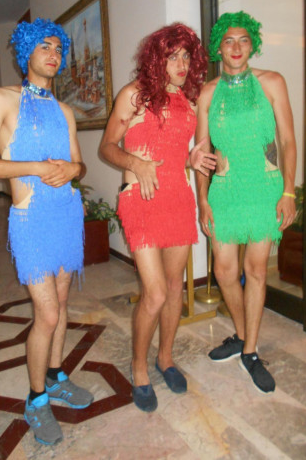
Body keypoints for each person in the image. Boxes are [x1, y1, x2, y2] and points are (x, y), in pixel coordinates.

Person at [0, 18, 93, 446]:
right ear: (26, 53)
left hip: (66, 215)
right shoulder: (1, 99)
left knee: (62, 303)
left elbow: (79, 165)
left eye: (58, 47)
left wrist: (73, 169)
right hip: (31, 221)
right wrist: (37, 167)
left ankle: (56, 376)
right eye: (44, 46)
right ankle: (36, 399)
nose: (53, 53)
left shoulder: (65, 111)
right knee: (48, 314)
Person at [99, 23, 216, 411]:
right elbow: (106, 147)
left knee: (174, 288)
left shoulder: (189, 101)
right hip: (141, 199)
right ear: (156, 59)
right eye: (173, 57)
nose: (182, 64)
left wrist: (193, 159)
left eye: (187, 57)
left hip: (178, 199)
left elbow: (177, 154)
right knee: (155, 293)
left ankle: (165, 358)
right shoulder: (133, 95)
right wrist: (135, 163)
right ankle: (139, 366)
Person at [196, 11, 297, 394]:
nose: (236, 47)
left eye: (243, 40)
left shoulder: (272, 82)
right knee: (224, 272)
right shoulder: (208, 93)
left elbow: (287, 141)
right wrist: (202, 200)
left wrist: (289, 192)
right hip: (224, 192)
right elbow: (202, 153)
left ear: (252, 44)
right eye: (228, 41)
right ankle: (241, 335)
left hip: (264, 189)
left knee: (255, 270)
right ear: (218, 48)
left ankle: (251, 351)